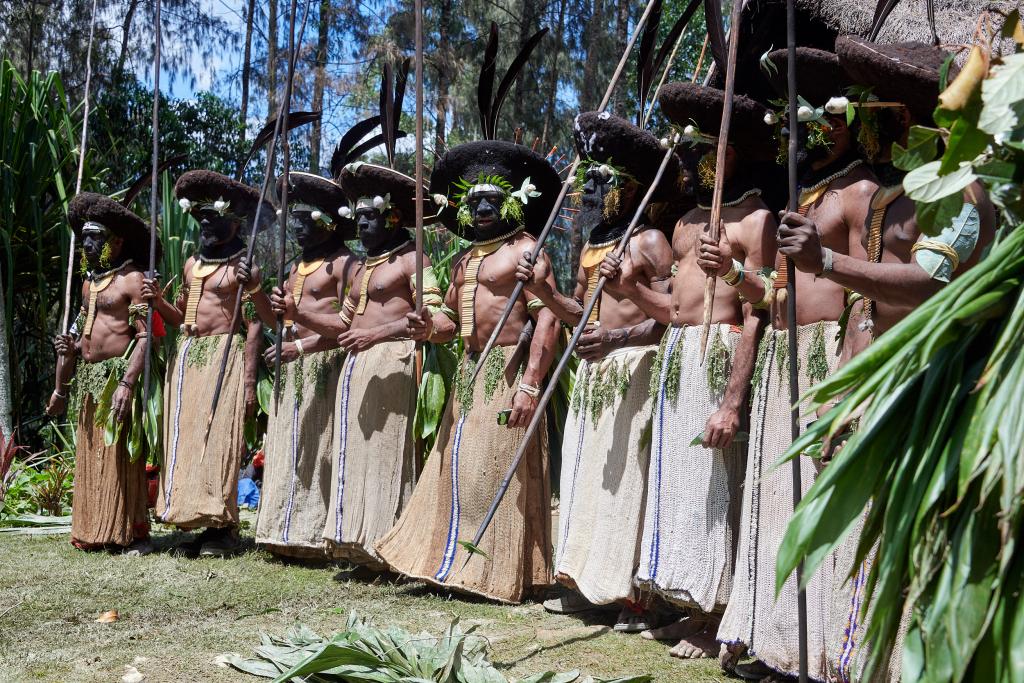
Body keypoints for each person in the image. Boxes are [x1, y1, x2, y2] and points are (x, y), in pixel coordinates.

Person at [773, 38, 996, 683]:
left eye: (874, 107)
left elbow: (930, 283)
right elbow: (865, 308)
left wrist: (827, 262)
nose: (862, 119)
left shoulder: (968, 190)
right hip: (888, 380)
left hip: (943, 382)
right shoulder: (887, 195)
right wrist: (844, 391)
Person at [704, 47, 879, 682]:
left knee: (821, 503)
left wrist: (849, 382)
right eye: (794, 123)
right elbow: (770, 297)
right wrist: (734, 275)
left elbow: (865, 294)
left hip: (823, 358)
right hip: (783, 359)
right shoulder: (801, 196)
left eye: (816, 120)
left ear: (852, 120)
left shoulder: (861, 192)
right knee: (776, 499)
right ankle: (773, 636)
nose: (800, 133)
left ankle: (826, 647)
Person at [600, 82, 776, 659]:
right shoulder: (684, 225)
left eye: (711, 148)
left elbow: (757, 313)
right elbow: (673, 310)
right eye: (694, 150)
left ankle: (719, 613)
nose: (701, 159)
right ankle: (690, 600)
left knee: (720, 488)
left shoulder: (755, 220)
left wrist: (732, 399)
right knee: (680, 486)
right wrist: (630, 287)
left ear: (733, 152)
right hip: (680, 358)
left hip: (722, 354)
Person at [375, 137, 562, 604]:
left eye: (491, 200)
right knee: (459, 467)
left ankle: (494, 569)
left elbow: (549, 320)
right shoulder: (463, 261)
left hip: (507, 369)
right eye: (473, 201)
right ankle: (453, 560)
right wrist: (425, 324)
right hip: (469, 372)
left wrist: (530, 385)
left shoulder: (527, 252)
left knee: (492, 469)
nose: (481, 209)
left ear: (511, 203)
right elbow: (449, 326)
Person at [514, 111, 675, 630]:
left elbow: (673, 317)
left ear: (630, 188)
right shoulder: (591, 245)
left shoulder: (651, 241)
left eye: (603, 181)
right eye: (590, 180)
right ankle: (589, 583)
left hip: (636, 369)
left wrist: (617, 338)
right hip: (595, 375)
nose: (592, 190)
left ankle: (634, 595)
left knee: (630, 481)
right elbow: (579, 316)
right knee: (589, 478)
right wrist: (544, 293)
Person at [272, 161, 455, 569]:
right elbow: (342, 325)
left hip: (394, 364)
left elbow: (442, 321)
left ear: (392, 217)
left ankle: (387, 547)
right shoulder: (365, 267)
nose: (362, 226)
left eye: (371, 217)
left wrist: (385, 334)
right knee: (356, 455)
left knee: (387, 457)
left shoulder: (411, 259)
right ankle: (356, 542)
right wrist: (296, 314)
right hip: (356, 370)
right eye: (359, 218)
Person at [142, 170, 273, 557]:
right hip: (188, 357)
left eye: (212, 218)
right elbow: (179, 315)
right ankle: (196, 522)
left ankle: (224, 528)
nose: (205, 226)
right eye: (200, 219)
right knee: (188, 440)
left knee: (217, 441)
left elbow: (255, 326)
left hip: (224, 356)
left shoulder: (243, 267)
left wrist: (249, 382)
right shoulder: (190, 264)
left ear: (233, 222)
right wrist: (155, 300)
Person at [46, 192, 161, 554]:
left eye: (96, 237)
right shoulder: (87, 284)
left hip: (117, 377)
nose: (89, 243)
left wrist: (127, 383)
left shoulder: (132, 280)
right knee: (92, 454)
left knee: (119, 456)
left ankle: (130, 531)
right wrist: (70, 353)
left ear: (117, 240)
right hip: (90, 380)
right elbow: (85, 338)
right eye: (85, 237)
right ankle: (94, 528)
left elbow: (146, 338)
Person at [254, 171, 358, 561]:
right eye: (291, 221)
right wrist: (255, 290)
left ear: (327, 223)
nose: (295, 229)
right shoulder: (296, 269)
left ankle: (316, 535)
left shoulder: (347, 264)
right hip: (292, 367)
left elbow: (350, 325)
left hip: (326, 365)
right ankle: (284, 529)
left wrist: (301, 345)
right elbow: (275, 321)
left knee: (322, 448)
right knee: (290, 447)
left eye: (303, 221)